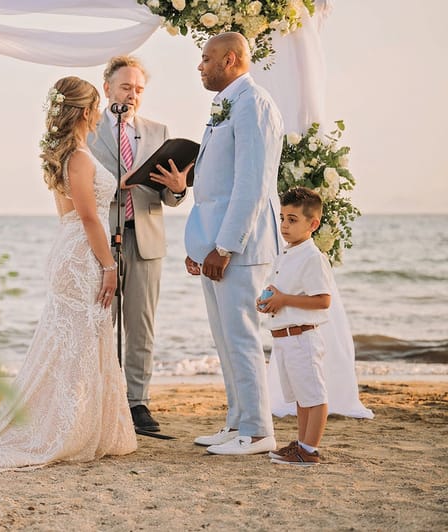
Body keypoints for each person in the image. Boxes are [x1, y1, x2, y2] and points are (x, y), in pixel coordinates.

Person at [0, 76, 137, 476]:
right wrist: (110, 266)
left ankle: (86, 424)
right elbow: (88, 216)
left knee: (77, 337)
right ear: (84, 112)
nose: (99, 114)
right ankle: (64, 429)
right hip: (81, 254)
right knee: (79, 337)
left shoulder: (69, 155)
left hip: (70, 247)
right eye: (96, 107)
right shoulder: (77, 158)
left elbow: (75, 213)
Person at [183, 32, 283, 455]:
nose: (200, 66)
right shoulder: (227, 105)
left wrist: (224, 247)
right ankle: (237, 422)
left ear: (231, 59)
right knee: (225, 339)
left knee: (242, 337)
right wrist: (201, 245)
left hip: (240, 248)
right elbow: (215, 186)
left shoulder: (254, 103)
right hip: (216, 244)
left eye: (206, 59)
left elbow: (251, 185)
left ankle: (258, 431)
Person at [87, 56, 188, 433]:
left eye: (139, 89)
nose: (133, 95)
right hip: (100, 239)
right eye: (126, 87)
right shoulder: (87, 130)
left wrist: (178, 191)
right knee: (100, 322)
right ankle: (102, 398)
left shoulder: (158, 131)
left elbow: (168, 197)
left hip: (145, 238)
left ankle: (137, 403)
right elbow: (74, 185)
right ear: (107, 88)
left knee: (141, 326)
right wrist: (119, 185)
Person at [257, 187, 332, 466]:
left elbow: (323, 300)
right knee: (302, 396)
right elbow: (283, 291)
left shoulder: (313, 258)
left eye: (292, 219)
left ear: (313, 224)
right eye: (282, 218)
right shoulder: (287, 253)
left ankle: (309, 450)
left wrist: (284, 299)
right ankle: (301, 444)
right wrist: (268, 300)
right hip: (284, 338)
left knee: (314, 395)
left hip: (303, 337)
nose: (285, 225)